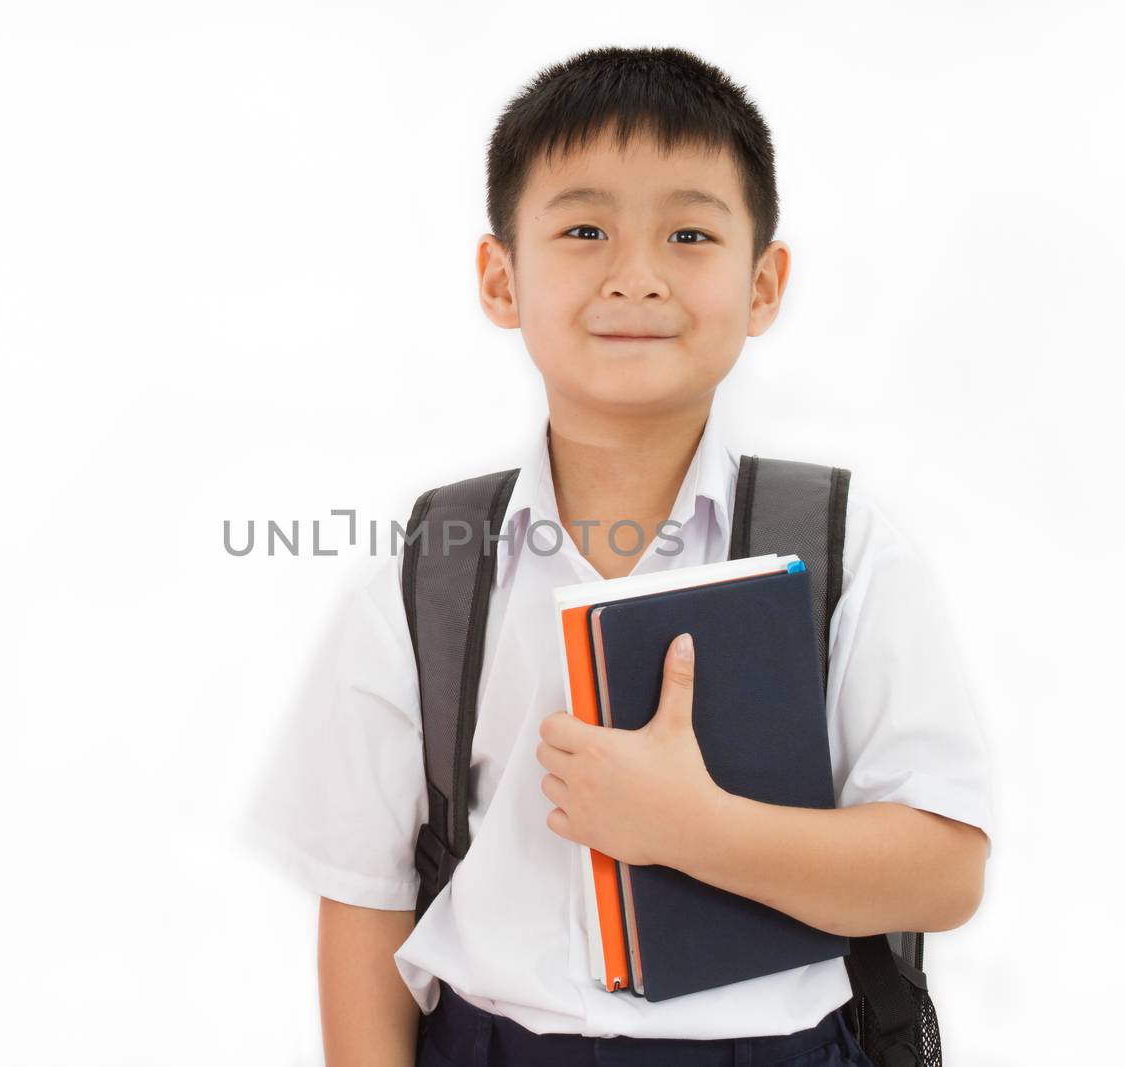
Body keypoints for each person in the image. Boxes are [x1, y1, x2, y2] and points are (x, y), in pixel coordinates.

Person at [241, 44, 995, 1067]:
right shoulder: (428, 574)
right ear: (499, 278)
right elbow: (364, 902)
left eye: (689, 232)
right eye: (583, 228)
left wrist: (690, 825)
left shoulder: (843, 545)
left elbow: (942, 872)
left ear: (764, 282)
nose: (634, 276)